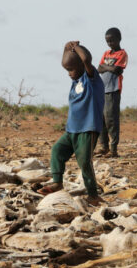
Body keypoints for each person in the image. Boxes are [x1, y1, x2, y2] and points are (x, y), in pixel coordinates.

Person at [38, 41, 105, 206]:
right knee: (57, 150)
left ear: (81, 65)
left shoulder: (92, 79)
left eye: (71, 69)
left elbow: (87, 60)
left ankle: (93, 194)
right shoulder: (76, 82)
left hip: (87, 129)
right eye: (67, 70)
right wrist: (66, 48)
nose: (69, 73)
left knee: (84, 162)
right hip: (72, 130)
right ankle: (57, 181)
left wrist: (77, 48)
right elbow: (70, 61)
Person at [97, 27, 128, 158]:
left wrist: (106, 67)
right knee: (101, 120)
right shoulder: (106, 53)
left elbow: (117, 70)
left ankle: (113, 149)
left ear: (119, 39)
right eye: (108, 41)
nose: (110, 43)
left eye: (112, 41)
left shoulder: (122, 54)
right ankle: (104, 147)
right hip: (102, 89)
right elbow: (99, 68)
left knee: (111, 120)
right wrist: (108, 68)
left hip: (113, 90)